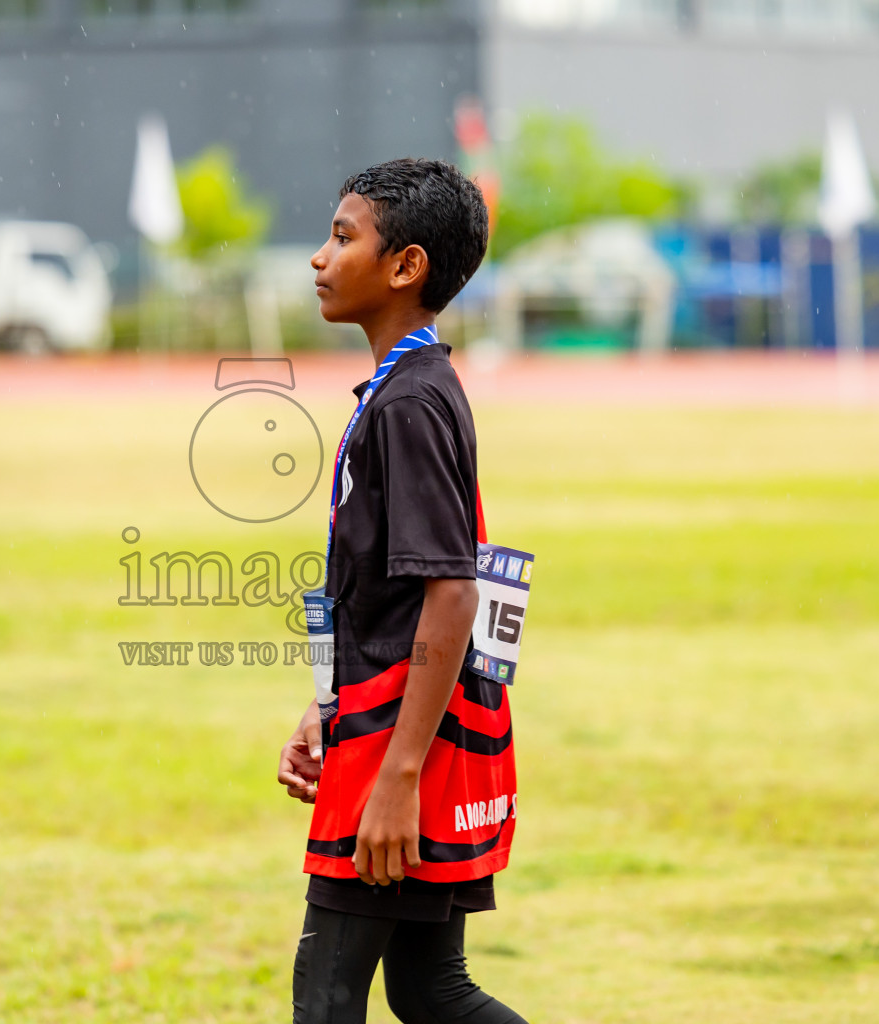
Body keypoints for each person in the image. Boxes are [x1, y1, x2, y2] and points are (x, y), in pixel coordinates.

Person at [276, 158, 525, 1024]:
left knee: (328, 996)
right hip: (381, 715)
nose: (319, 257)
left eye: (343, 238)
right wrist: (328, 708)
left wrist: (398, 773)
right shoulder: (403, 387)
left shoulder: (412, 402)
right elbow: (386, 589)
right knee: (430, 988)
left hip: (403, 738)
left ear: (406, 267)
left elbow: (452, 591)